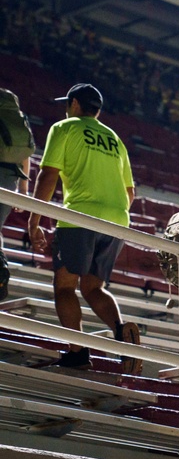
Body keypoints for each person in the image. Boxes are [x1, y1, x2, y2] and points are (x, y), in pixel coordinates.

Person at [27, 83, 142, 373]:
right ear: (98, 110)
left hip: (81, 215)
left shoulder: (65, 128)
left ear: (75, 104)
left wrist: (34, 219)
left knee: (65, 285)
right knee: (93, 287)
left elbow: (48, 173)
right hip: (118, 220)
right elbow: (130, 192)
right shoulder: (115, 139)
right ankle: (120, 332)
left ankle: (77, 352)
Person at [0, 87, 35, 301]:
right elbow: (26, 155)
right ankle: (1, 268)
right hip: (10, 179)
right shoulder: (19, 120)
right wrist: (23, 190)